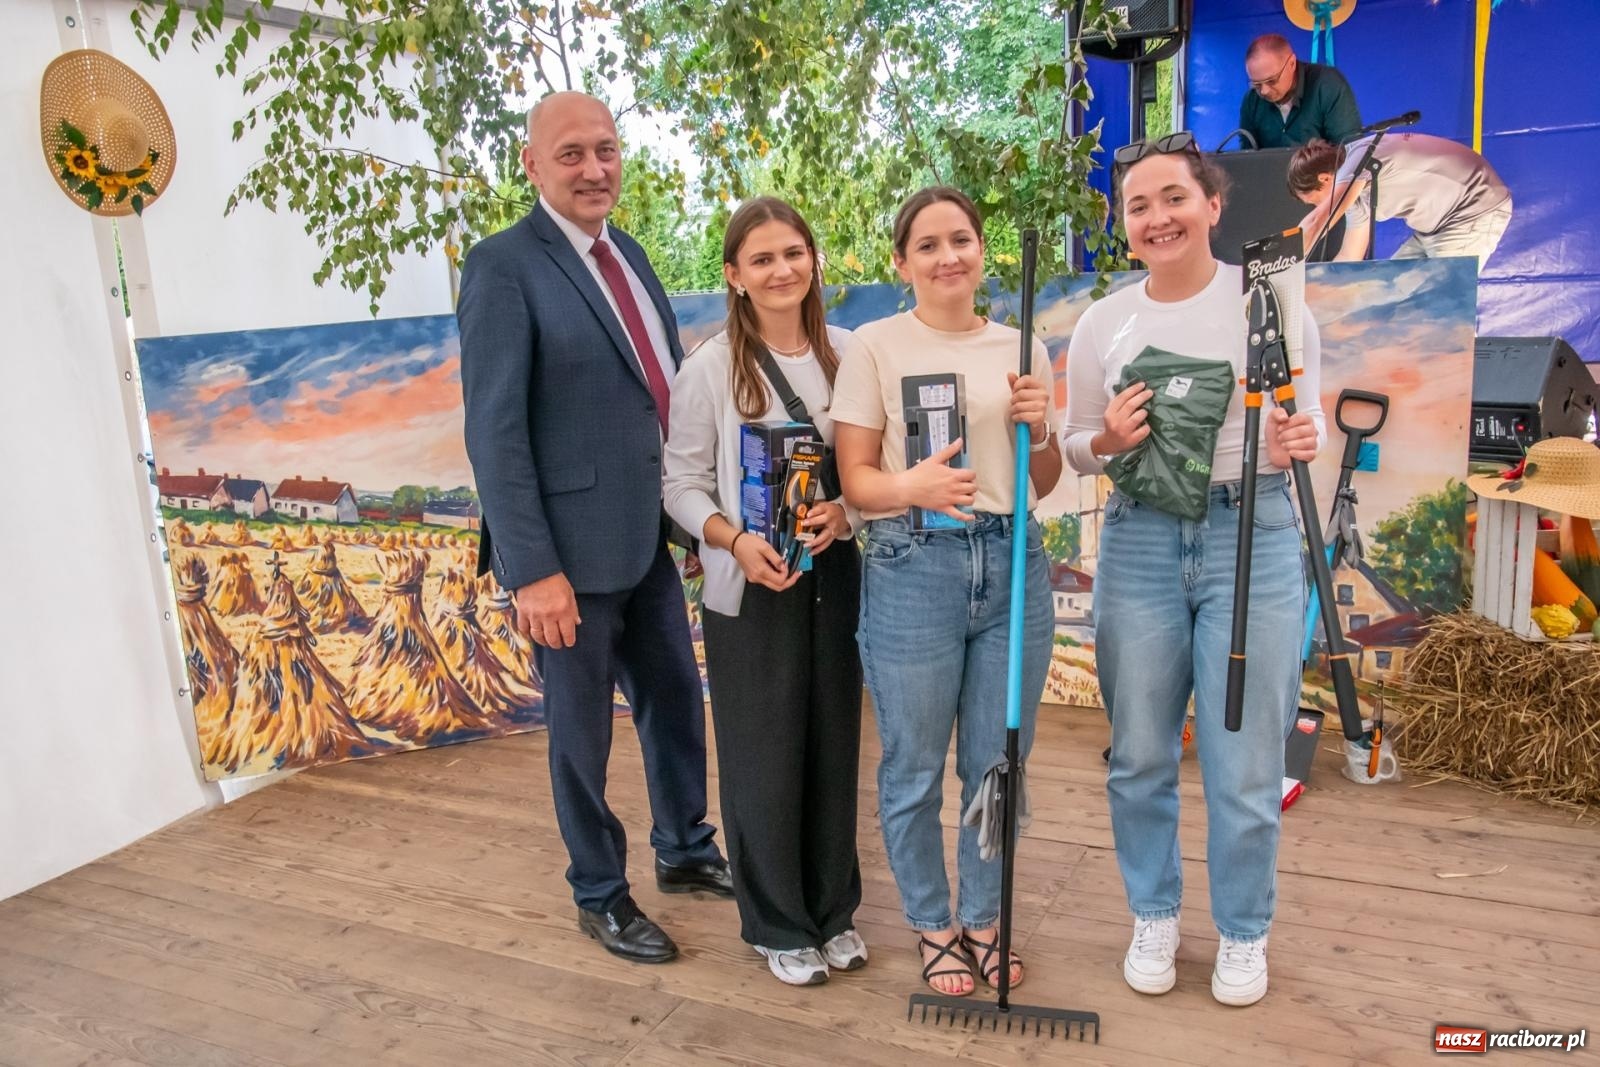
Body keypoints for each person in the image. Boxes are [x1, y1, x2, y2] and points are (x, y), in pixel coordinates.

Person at [457, 91, 731, 966]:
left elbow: (659, 392)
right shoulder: (503, 266)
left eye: (606, 150)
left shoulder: (633, 254)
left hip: (645, 536)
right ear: (532, 165)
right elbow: (493, 429)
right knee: (583, 736)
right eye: (570, 153)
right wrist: (531, 568)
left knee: (677, 702)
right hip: (565, 562)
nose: (593, 168)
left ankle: (685, 848)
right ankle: (600, 893)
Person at [1063, 131, 1326, 1007]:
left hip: (1252, 530)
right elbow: (1075, 447)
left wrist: (1298, 441)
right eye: (1138, 205)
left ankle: (1244, 932)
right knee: (1138, 750)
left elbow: (1307, 421)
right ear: (1126, 226)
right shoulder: (1105, 322)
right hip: (1138, 538)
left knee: (1245, 758)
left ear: (1212, 205)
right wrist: (1109, 439)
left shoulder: (1272, 304)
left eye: (1172, 197)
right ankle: (1155, 913)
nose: (1156, 216)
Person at [831, 186, 1061, 998]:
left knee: (999, 761)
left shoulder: (1021, 343)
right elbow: (855, 481)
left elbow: (1044, 478)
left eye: (960, 239)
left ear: (981, 249)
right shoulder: (874, 345)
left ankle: (985, 921)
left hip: (1013, 562)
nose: (947, 256)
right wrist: (912, 485)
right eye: (926, 245)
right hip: (912, 562)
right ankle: (933, 923)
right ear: (902, 262)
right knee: (915, 765)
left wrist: (1044, 420)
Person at [662, 197, 868, 987]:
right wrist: (735, 540)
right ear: (734, 276)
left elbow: (869, 464)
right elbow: (679, 484)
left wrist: (846, 512)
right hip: (752, 587)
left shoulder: (849, 354)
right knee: (762, 753)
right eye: (762, 259)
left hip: (835, 578)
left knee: (833, 744)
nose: (782, 269)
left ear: (814, 260)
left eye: (794, 253)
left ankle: (832, 909)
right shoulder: (711, 367)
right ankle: (776, 920)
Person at [1288, 133, 1514, 270]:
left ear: (1325, 178)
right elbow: (1349, 257)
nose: (1318, 207)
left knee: (1443, 306)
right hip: (1437, 228)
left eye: (1315, 201)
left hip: (1474, 209)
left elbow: (1318, 220)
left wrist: (1281, 264)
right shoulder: (1357, 195)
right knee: (1393, 291)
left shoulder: (1358, 160)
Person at [1239, 33, 1361, 149]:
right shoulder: (1251, 100)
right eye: (1256, 84)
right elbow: (1247, 158)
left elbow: (1350, 149)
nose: (1264, 91)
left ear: (1292, 64)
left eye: (1272, 81)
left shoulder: (1328, 84)